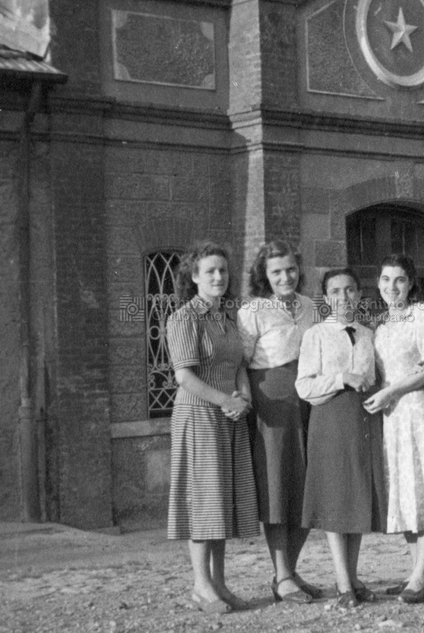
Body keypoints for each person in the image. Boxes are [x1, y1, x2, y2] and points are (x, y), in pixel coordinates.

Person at [166, 241, 259, 615]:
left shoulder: (226, 317)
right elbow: (184, 376)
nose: (219, 277)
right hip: (199, 415)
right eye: (210, 271)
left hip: (229, 415)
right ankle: (201, 587)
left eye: (223, 270)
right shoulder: (184, 318)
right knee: (204, 502)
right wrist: (225, 401)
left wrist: (244, 401)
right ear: (194, 277)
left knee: (222, 501)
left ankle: (219, 583)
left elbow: (238, 366)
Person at [295, 268, 385, 608]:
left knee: (358, 496)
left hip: (362, 420)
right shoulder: (316, 335)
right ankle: (343, 583)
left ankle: (354, 575)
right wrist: (341, 378)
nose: (343, 297)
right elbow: (304, 386)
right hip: (330, 420)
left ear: (359, 295)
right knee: (335, 498)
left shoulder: (368, 333)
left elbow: (378, 376)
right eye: (336, 291)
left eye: (350, 290)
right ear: (326, 297)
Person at [237, 240, 319, 603]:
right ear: (264, 276)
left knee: (306, 489)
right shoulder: (253, 310)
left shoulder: (310, 307)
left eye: (290, 269)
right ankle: (282, 575)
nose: (285, 277)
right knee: (277, 487)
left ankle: (291, 572)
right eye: (276, 272)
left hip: (309, 403)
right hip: (271, 405)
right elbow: (241, 363)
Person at [363, 254, 424, 605]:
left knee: (422, 487)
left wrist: (392, 391)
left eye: (399, 280)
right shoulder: (381, 325)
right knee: (404, 492)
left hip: (413, 409)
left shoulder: (422, 313)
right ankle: (420, 572)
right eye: (385, 280)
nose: (391, 287)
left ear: (411, 283)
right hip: (390, 417)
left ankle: (419, 573)